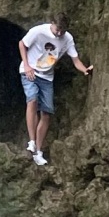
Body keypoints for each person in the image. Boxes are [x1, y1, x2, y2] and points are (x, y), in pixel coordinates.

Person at [18, 14, 90, 167]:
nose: (59, 34)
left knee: (47, 113)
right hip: (29, 71)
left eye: (62, 31)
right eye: (57, 29)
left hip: (47, 77)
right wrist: (27, 65)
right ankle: (31, 141)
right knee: (32, 99)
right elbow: (22, 44)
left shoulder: (67, 39)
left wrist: (85, 71)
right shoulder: (39, 31)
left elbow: (75, 60)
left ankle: (38, 151)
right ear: (52, 23)